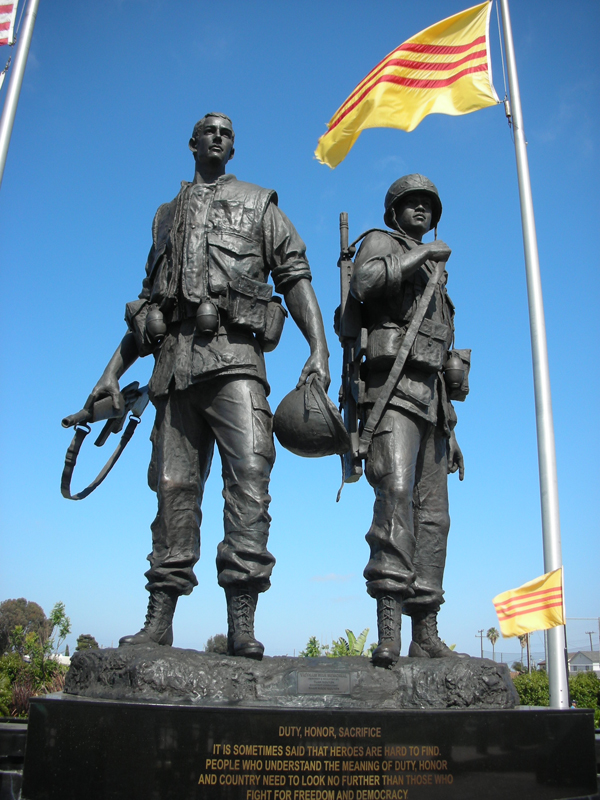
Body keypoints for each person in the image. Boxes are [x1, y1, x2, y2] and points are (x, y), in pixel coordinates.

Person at [83, 113, 330, 660]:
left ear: (233, 147)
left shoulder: (260, 203)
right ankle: (160, 618)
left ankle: (242, 621)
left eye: (228, 132)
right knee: (173, 491)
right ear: (192, 143)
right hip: (173, 370)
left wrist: (318, 346)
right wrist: (111, 373)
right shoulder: (165, 216)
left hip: (236, 363)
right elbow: (151, 304)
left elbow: (294, 277)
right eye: (208, 131)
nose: (218, 137)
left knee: (249, 482)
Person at [350, 174, 466, 668]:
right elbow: (365, 282)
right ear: (393, 211)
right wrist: (423, 255)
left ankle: (426, 629)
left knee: (434, 517)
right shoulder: (383, 243)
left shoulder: (439, 279)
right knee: (395, 499)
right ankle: (389, 632)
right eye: (411, 203)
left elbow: (439, 356)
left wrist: (452, 431)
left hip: (433, 405)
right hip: (392, 394)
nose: (421, 210)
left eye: (427, 205)